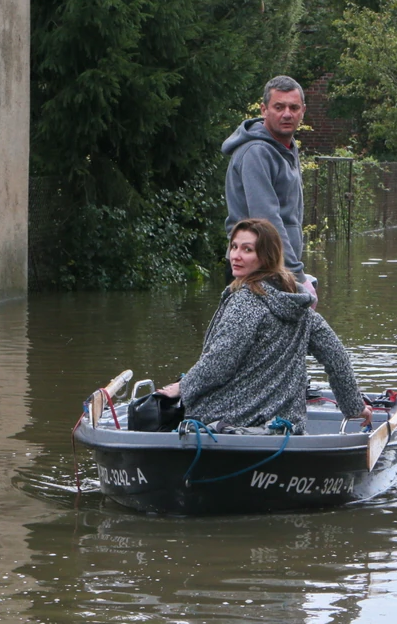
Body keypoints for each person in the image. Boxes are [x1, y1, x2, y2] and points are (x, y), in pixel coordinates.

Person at [158, 218, 371, 434]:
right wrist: (354, 408)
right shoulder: (299, 306)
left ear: (266, 256)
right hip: (284, 425)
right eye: (234, 247)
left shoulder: (245, 301)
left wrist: (183, 388)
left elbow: (220, 361)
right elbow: (336, 357)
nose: (236, 256)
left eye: (247, 249)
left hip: (227, 420)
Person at [222, 76, 317, 300]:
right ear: (264, 109)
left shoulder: (285, 148)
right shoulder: (257, 152)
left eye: (294, 107)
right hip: (256, 271)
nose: (287, 114)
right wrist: (297, 276)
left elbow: (287, 216)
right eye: (279, 107)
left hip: (276, 269)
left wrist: (293, 271)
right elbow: (267, 220)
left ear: (303, 111)